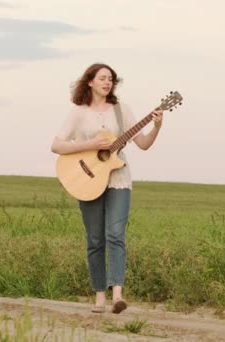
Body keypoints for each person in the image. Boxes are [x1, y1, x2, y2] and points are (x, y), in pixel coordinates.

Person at [51, 63, 164, 313]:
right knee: (94, 239)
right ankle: (99, 296)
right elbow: (57, 145)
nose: (107, 82)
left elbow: (143, 144)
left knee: (115, 235)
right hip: (88, 179)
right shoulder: (78, 112)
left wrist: (156, 126)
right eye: (102, 78)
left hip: (119, 179)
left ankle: (118, 295)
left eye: (111, 79)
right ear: (90, 81)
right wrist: (90, 144)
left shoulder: (123, 111)